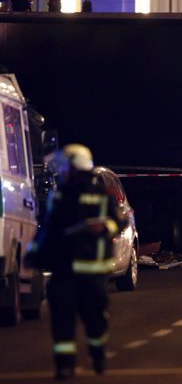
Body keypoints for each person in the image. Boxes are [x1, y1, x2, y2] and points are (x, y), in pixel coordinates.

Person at [25, 145, 126, 380]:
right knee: (62, 321)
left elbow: (119, 222)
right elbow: (50, 230)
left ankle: (97, 352)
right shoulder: (60, 195)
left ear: (75, 167)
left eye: (65, 167)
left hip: (93, 271)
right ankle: (64, 366)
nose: (62, 172)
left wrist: (103, 228)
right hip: (64, 270)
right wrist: (35, 254)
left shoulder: (102, 195)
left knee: (95, 319)